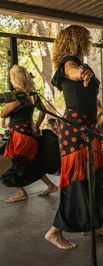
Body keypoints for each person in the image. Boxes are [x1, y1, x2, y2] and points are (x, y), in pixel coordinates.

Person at [45, 25, 103, 250]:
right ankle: (55, 231)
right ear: (79, 40)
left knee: (99, 177)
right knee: (77, 183)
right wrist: (81, 73)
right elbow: (72, 70)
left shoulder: (77, 63)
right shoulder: (69, 62)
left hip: (86, 131)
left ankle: (90, 224)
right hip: (75, 132)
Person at [1, 65, 58, 202]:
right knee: (31, 163)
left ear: (15, 79)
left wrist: (11, 108)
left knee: (11, 164)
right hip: (29, 135)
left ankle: (21, 193)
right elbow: (43, 111)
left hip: (20, 138)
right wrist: (37, 126)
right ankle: (51, 185)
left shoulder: (18, 97)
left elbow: (2, 113)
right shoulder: (33, 94)